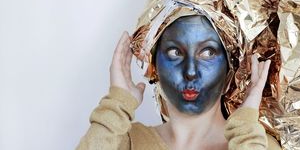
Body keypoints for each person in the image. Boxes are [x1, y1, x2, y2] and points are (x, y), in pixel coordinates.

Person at [76, 15, 282, 150]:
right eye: (175, 52)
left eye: (207, 52)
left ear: (230, 66)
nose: (190, 72)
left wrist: (245, 126)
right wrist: (117, 103)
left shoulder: (256, 143)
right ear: (153, 64)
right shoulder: (128, 142)